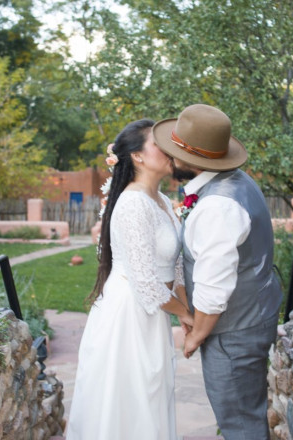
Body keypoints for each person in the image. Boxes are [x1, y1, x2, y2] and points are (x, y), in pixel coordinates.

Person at [153, 104, 283, 440]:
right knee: (247, 417)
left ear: (193, 161)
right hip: (251, 318)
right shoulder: (235, 182)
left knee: (240, 423)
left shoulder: (218, 206)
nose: (169, 158)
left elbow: (214, 287)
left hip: (234, 333)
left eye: (174, 152)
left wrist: (196, 335)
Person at [65, 119, 193, 440]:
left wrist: (184, 310)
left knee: (152, 398)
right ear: (137, 156)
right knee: (128, 406)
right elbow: (147, 283)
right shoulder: (133, 203)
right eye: (158, 144)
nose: (168, 150)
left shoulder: (162, 201)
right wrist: (188, 316)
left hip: (155, 313)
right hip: (128, 315)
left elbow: (174, 265)